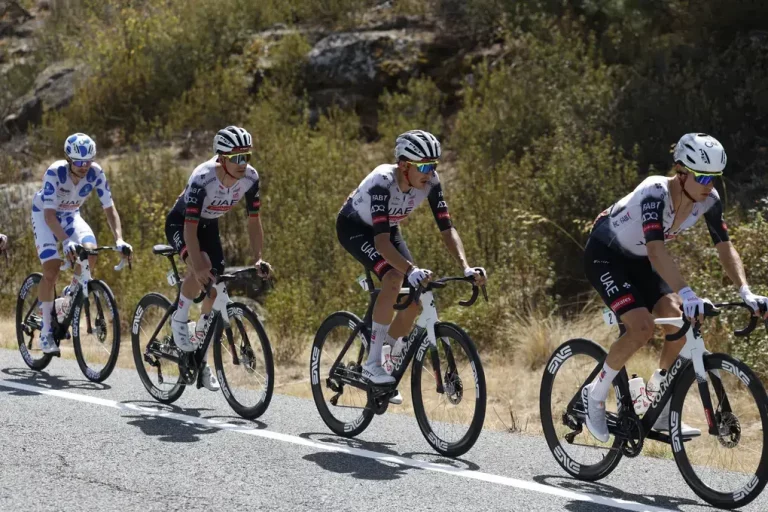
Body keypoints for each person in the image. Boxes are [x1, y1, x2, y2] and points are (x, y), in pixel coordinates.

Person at [582, 132, 768, 442]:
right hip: (606, 255)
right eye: (702, 177)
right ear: (681, 173)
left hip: (639, 261)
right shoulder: (655, 192)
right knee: (641, 329)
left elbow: (725, 247)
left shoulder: (709, 201)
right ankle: (596, 394)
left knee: (681, 322)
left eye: (714, 178)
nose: (709, 185)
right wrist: (687, 292)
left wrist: (745, 291)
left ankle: (659, 401)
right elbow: (657, 251)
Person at [337, 129, 487, 392]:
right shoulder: (383, 182)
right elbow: (381, 244)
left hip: (387, 228)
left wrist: (465, 266)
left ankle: (386, 357)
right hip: (355, 228)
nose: (430, 173)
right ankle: (372, 364)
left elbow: (446, 228)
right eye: (425, 166)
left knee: (416, 297)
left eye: (434, 166)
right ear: (404, 166)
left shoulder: (430, 182)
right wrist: (410, 269)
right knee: (393, 278)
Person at [165, 125, 271, 392]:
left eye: (247, 156)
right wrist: (197, 266)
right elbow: (189, 228)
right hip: (182, 224)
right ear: (221, 158)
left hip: (209, 225)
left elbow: (254, 220)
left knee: (215, 289)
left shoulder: (250, 178)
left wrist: (258, 258)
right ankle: (179, 319)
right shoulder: (203, 177)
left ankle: (198, 356)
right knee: (202, 268)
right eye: (236, 158)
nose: (243, 163)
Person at [31, 133, 132, 354]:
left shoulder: (96, 173)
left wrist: (119, 239)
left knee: (91, 253)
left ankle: (68, 297)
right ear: (69, 159)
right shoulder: (55, 172)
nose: (84, 166)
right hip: (45, 215)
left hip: (70, 216)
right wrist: (66, 242)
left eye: (88, 161)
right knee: (52, 269)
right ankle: (46, 331)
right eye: (78, 162)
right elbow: (49, 216)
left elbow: (109, 209)